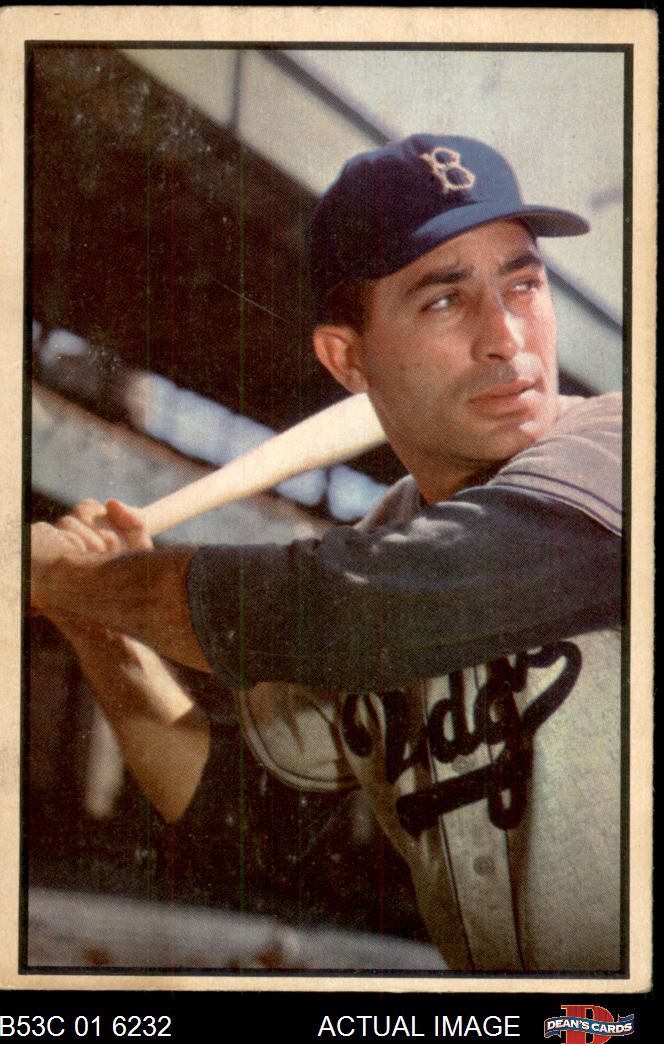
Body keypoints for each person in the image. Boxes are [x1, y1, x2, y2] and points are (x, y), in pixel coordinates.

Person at [31, 134, 623, 972]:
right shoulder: (383, 539)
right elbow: (241, 815)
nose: (507, 336)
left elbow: (353, 609)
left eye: (523, 284)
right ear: (348, 359)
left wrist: (84, 579)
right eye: (445, 300)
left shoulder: (622, 447)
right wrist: (94, 624)